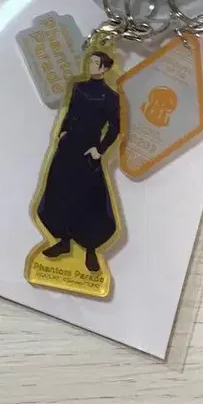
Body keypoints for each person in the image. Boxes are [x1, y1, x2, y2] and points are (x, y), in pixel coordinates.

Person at [35, 51, 122, 273]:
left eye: (95, 62)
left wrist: (99, 150)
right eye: (90, 61)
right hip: (68, 148)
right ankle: (63, 241)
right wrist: (62, 132)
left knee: (89, 199)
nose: (90, 65)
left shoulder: (110, 96)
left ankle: (91, 250)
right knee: (59, 191)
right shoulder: (78, 87)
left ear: (104, 68)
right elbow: (70, 112)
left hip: (88, 151)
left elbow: (115, 127)